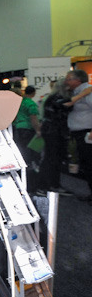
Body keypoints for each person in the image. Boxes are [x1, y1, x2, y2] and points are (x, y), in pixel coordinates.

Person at [36, 79, 72, 196]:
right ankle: (48, 186)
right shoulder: (58, 99)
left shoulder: (50, 98)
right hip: (54, 132)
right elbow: (66, 106)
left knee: (51, 159)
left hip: (51, 131)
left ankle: (48, 186)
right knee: (52, 159)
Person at [64, 69, 92, 203]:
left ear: (78, 80)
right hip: (79, 133)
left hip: (87, 133)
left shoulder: (88, 90)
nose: (67, 81)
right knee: (86, 164)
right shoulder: (77, 92)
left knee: (90, 164)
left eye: (69, 79)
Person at [12, 85, 41, 190]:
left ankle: (20, 175)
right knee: (29, 154)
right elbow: (33, 118)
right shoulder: (31, 104)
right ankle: (30, 180)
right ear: (33, 93)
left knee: (21, 152)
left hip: (17, 129)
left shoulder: (20, 102)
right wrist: (38, 130)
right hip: (27, 129)